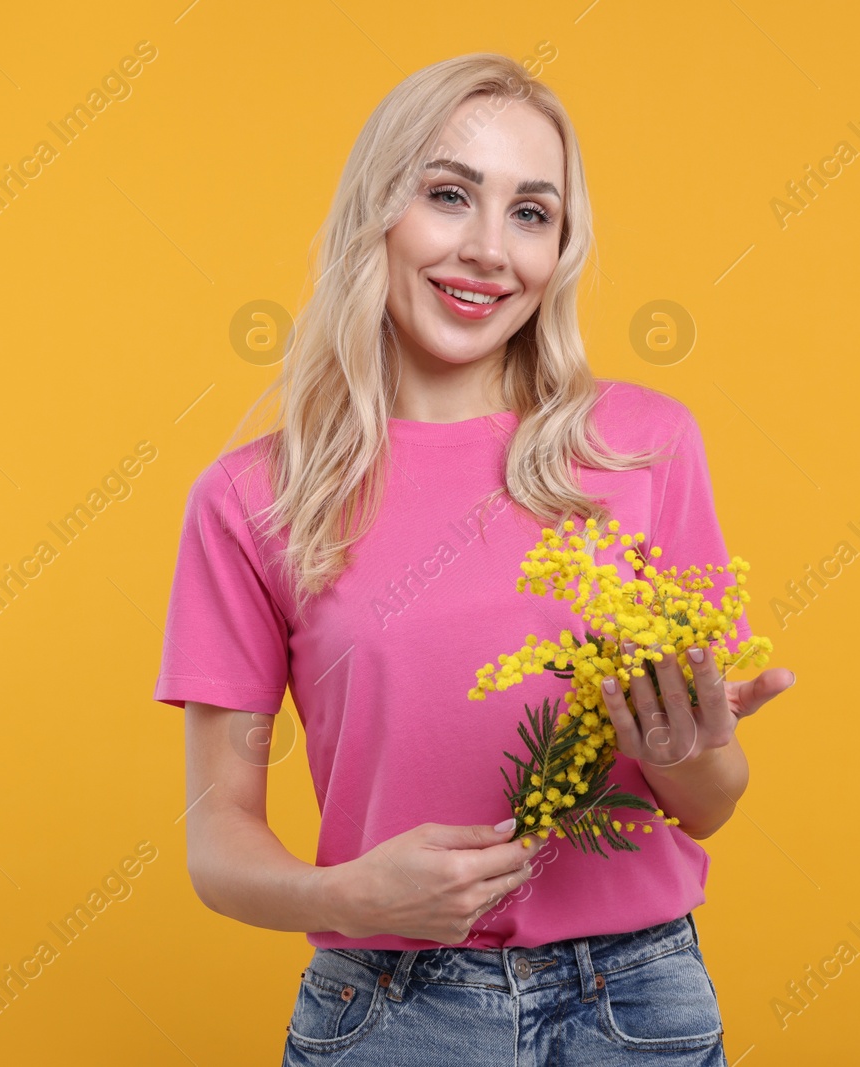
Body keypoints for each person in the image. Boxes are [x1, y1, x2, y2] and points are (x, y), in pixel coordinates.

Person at [154, 52, 795, 1066]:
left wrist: (685, 746)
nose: (490, 249)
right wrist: (346, 894)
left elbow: (710, 804)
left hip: (635, 1005)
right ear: (379, 213)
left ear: (561, 249)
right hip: (389, 1010)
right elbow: (216, 840)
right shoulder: (254, 500)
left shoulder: (641, 445)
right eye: (449, 196)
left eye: (531, 213)